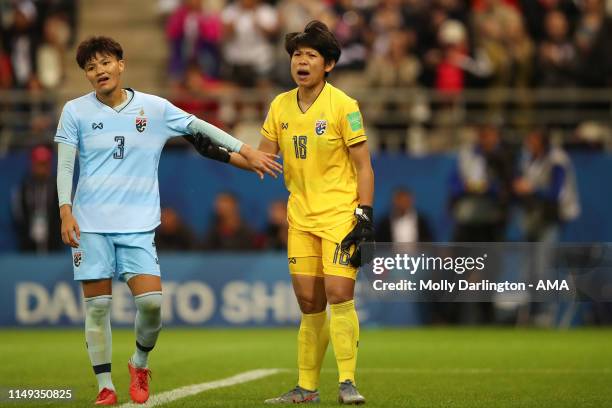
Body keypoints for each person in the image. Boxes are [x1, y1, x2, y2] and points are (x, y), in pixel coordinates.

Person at [54, 36, 281, 406]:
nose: (99, 71)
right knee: (97, 308)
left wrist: (245, 149)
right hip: (89, 223)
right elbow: (65, 164)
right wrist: (65, 209)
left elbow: (201, 127)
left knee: (152, 306)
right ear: (86, 74)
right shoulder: (74, 111)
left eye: (105, 62)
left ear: (121, 64)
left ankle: (139, 362)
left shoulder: (154, 108)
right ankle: (105, 387)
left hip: (138, 226)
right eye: (91, 67)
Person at [259, 21, 374, 405]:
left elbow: (364, 166)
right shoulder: (279, 105)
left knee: (340, 294)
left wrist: (365, 213)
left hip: (340, 215)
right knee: (310, 303)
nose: (301, 61)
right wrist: (226, 151)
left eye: (310, 55)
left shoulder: (344, 106)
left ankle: (347, 382)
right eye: (296, 55)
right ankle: (307, 388)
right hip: (300, 218)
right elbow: (264, 159)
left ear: (329, 64)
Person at [12, 145, 62, 253]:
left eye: (44, 164)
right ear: (32, 164)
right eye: (39, 164)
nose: (41, 168)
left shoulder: (59, 188)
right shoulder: (23, 187)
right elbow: (18, 214)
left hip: (54, 246)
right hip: (28, 245)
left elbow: (65, 212)